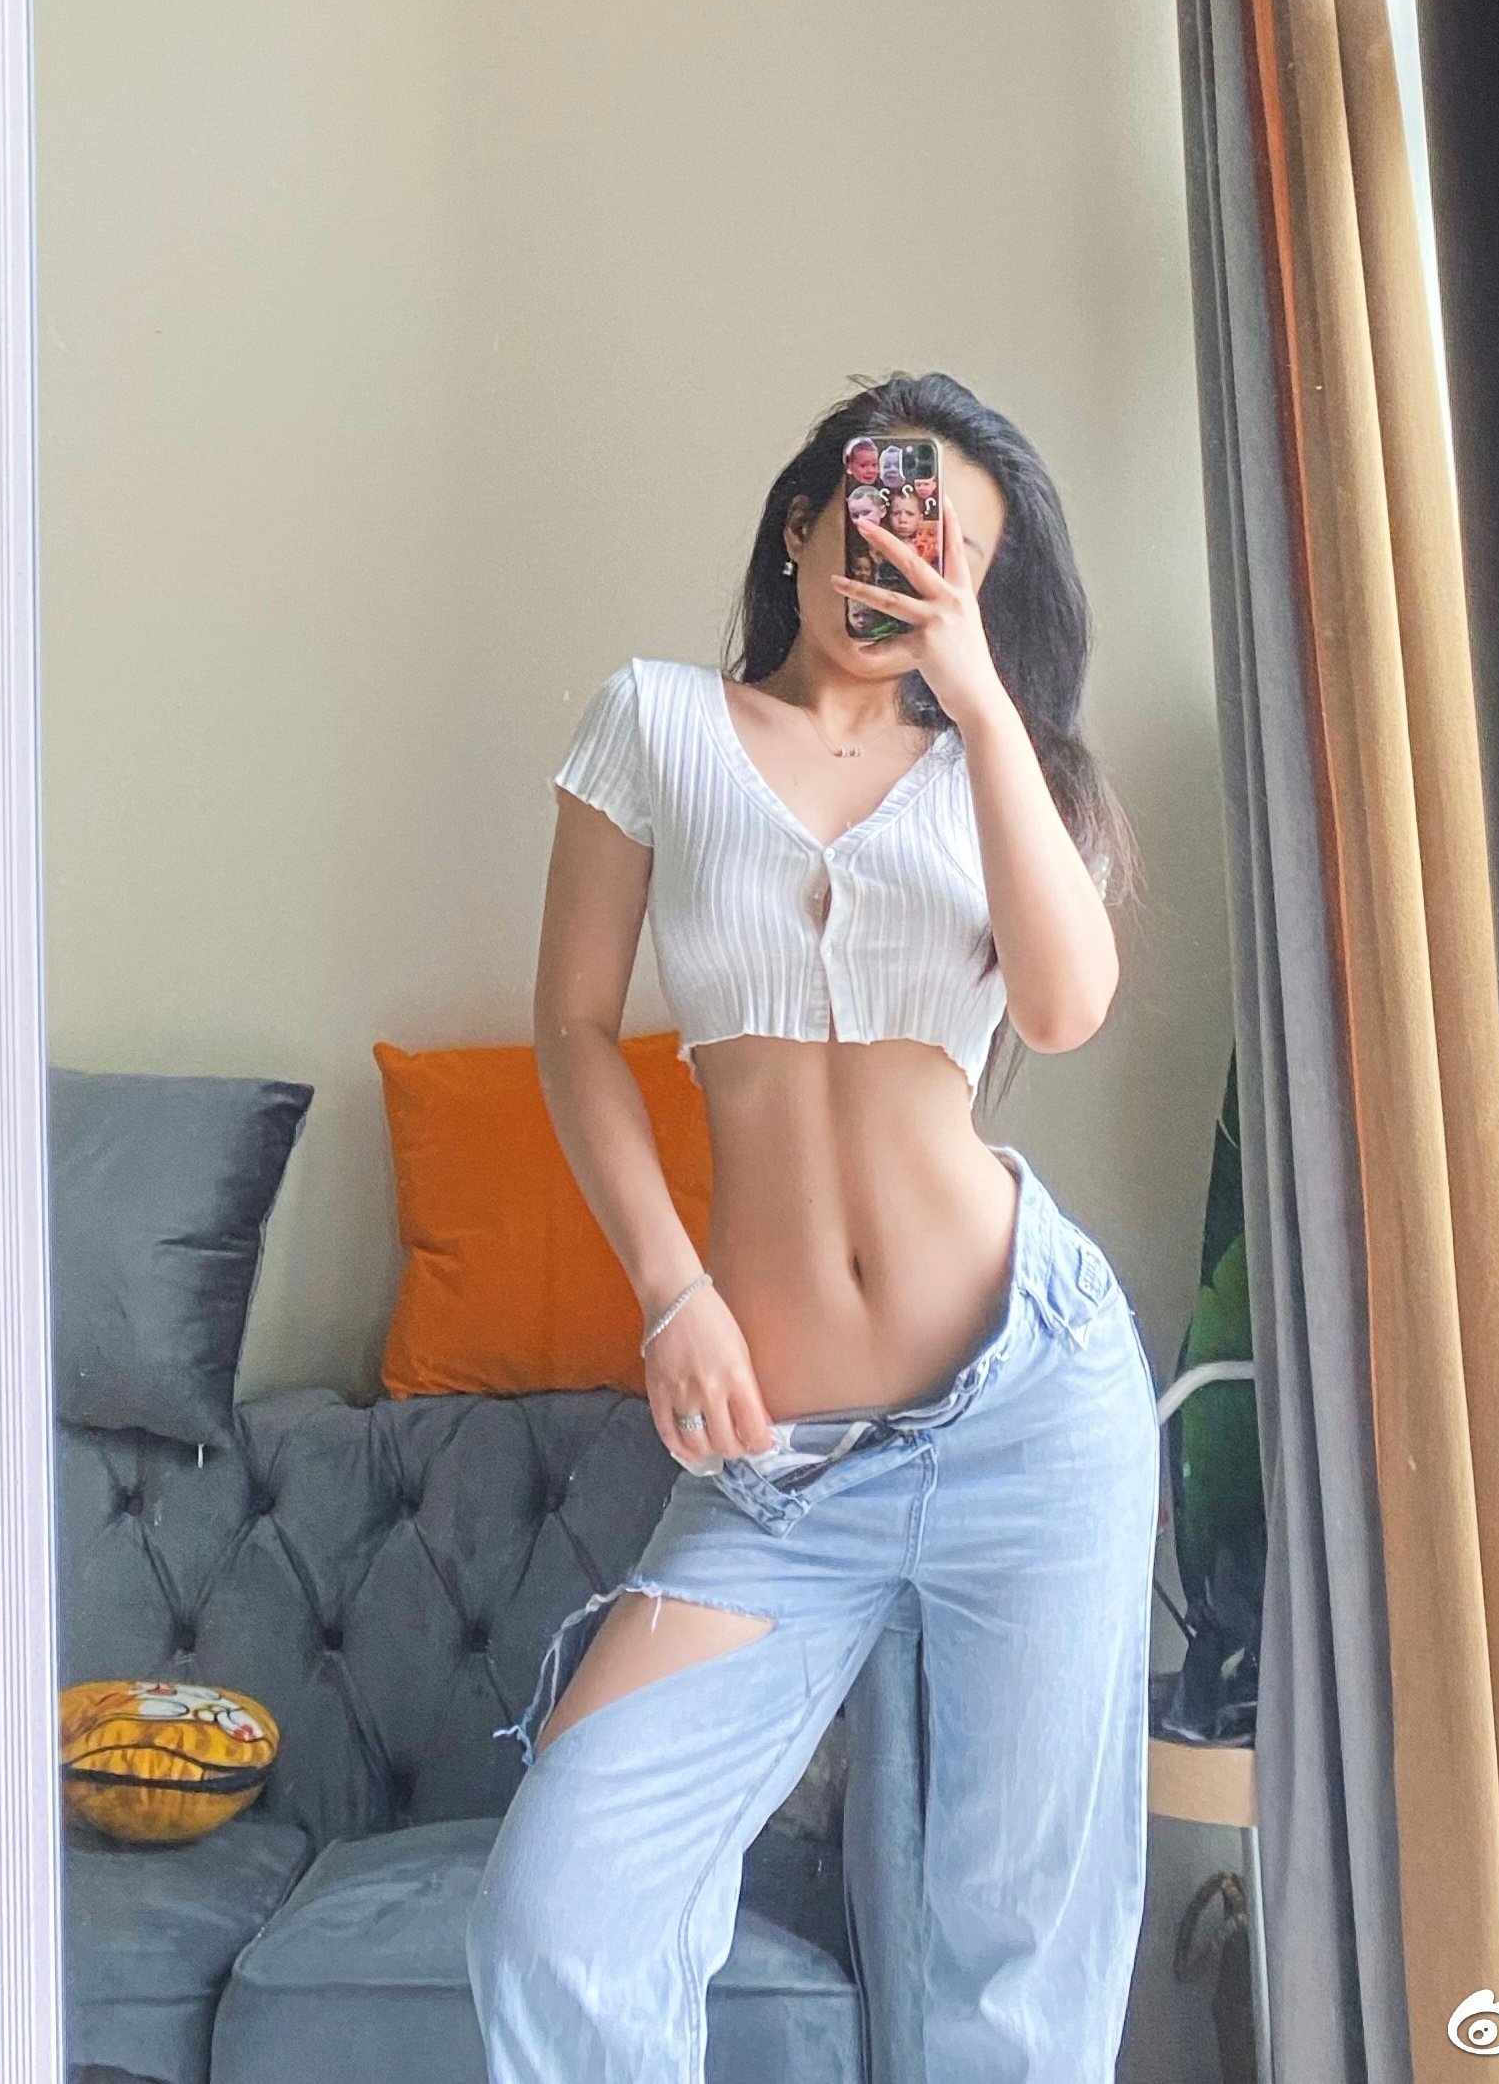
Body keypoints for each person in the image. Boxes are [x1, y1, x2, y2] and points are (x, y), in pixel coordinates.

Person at [466, 371, 1161, 2084]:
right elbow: (573, 1025)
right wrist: (669, 1289)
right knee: (562, 1905)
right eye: (876, 519)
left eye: (947, 550)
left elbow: (1063, 1008)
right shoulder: (653, 722)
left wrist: (980, 698)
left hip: (1031, 1401)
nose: (896, 563)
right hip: (781, 1467)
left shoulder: (1004, 770)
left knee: (1016, 1950)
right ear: (801, 523)